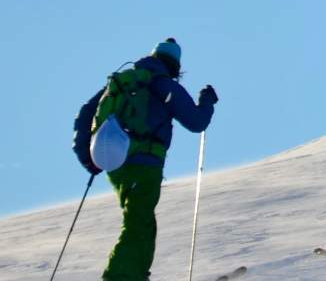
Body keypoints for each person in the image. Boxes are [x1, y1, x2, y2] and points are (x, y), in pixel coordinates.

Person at [69, 38, 218, 281]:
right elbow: (196, 122)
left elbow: (86, 113)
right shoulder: (163, 84)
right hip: (146, 163)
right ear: (175, 67)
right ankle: (120, 277)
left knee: (143, 219)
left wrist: (89, 158)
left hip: (115, 164)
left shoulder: (121, 81)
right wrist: (207, 101)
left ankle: (137, 275)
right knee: (138, 221)